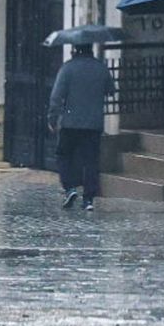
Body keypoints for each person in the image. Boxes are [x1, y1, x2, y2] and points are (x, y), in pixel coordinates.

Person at [47, 43, 114, 211]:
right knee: (91, 161)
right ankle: (89, 199)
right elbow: (110, 90)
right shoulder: (101, 68)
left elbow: (56, 96)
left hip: (70, 123)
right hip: (93, 123)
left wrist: (52, 119)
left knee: (63, 155)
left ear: (75, 50)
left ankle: (70, 188)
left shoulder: (67, 68)